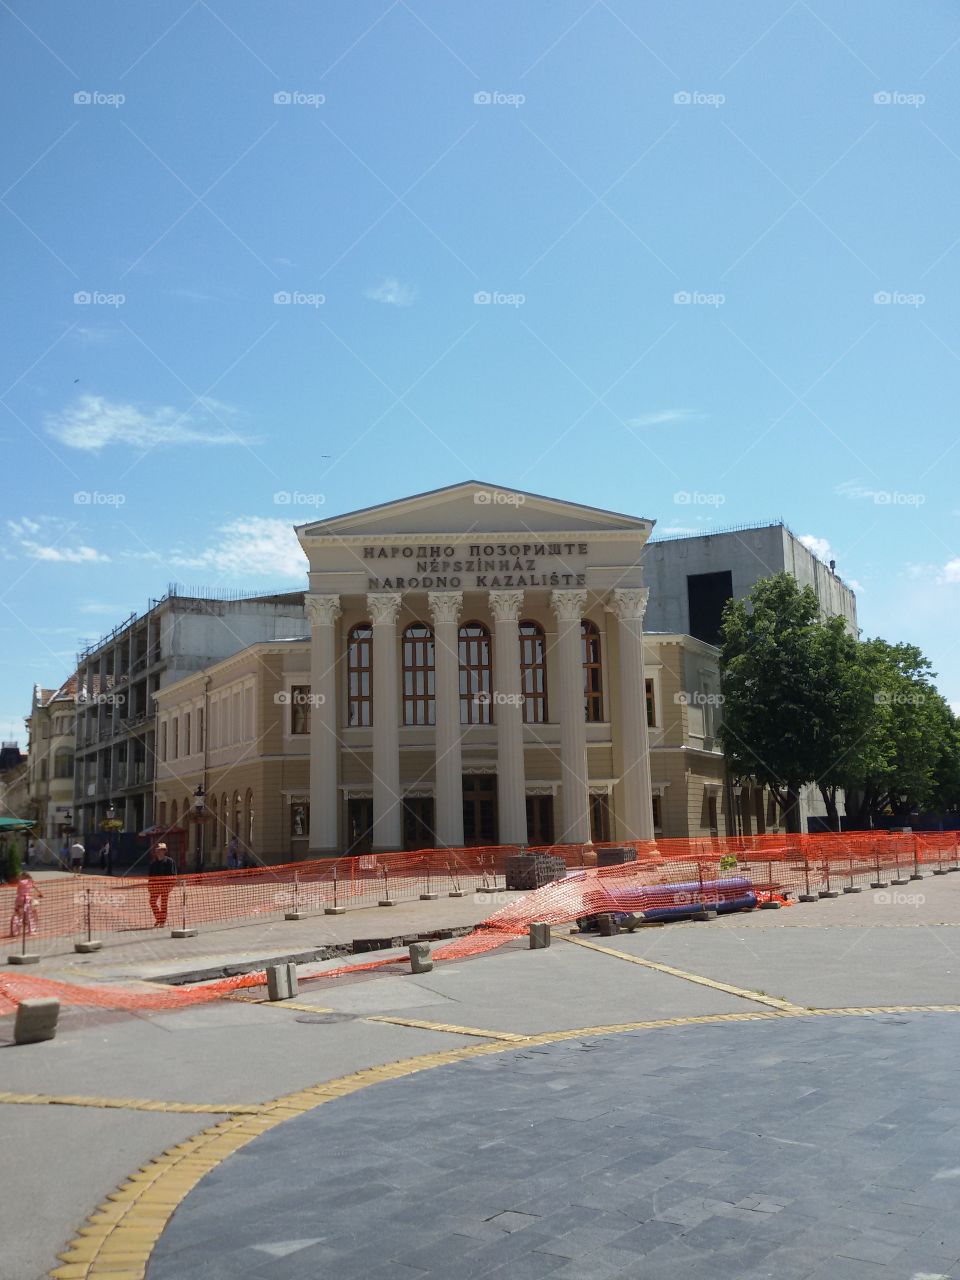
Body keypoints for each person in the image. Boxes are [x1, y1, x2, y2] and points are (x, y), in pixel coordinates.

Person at [147, 842, 177, 927]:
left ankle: (162, 921)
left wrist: (171, 885)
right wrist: (150, 886)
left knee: (164, 903)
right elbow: (150, 876)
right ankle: (159, 917)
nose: (158, 851)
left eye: (160, 850)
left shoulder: (170, 861)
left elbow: (173, 874)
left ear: (164, 851)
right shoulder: (153, 863)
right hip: (155, 886)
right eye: (157, 850)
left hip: (165, 886)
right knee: (152, 902)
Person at [9, 872, 43, 937]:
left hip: (18, 899)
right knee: (29, 915)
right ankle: (31, 931)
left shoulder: (21, 882)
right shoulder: (31, 881)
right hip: (26, 900)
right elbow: (36, 889)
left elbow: (15, 882)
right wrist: (40, 894)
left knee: (17, 913)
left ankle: (14, 930)